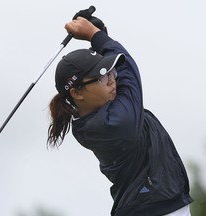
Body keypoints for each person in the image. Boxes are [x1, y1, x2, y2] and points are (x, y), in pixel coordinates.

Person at [47, 15, 193, 216]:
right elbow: (129, 73)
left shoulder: (99, 111)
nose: (112, 80)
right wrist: (95, 35)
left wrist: (100, 38)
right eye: (102, 75)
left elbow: (121, 71)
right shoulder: (114, 123)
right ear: (77, 93)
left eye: (111, 72)